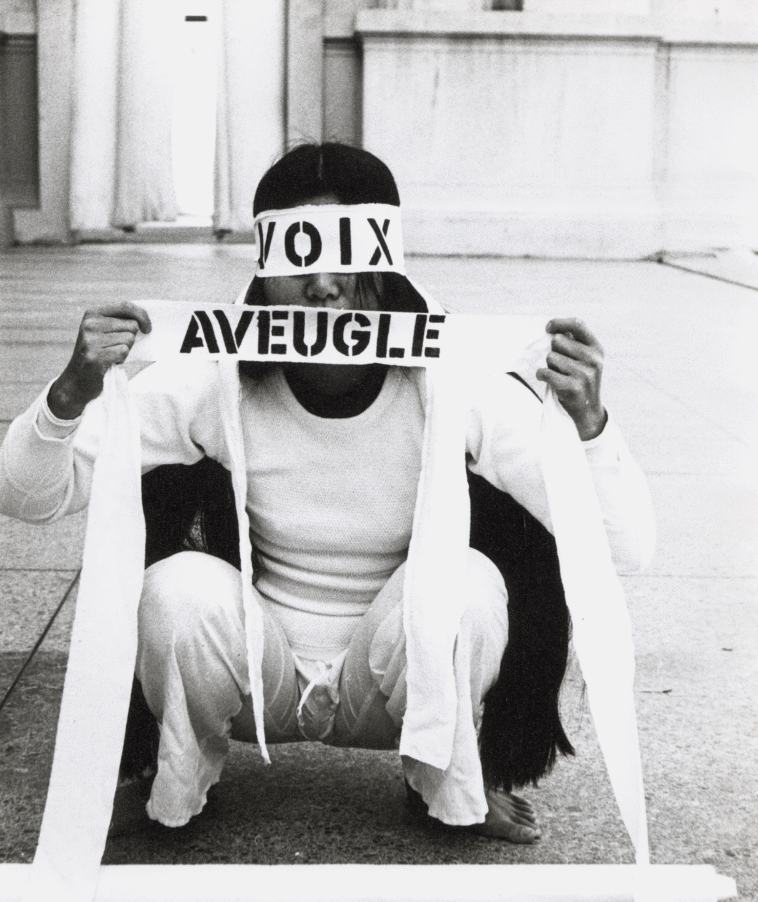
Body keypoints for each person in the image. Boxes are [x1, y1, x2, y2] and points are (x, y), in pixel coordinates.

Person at [0, 143, 654, 845]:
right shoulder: (215, 374)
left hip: (395, 675)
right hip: (259, 674)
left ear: (388, 260)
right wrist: (67, 398)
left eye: (349, 256)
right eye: (299, 260)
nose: (323, 287)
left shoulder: (458, 379)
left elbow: (626, 547)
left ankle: (447, 781)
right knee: (175, 590)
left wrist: (591, 430)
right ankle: (178, 780)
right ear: (263, 267)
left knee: (465, 585)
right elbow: (29, 496)